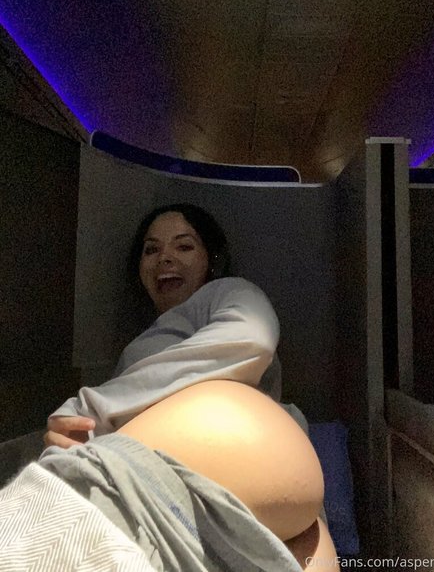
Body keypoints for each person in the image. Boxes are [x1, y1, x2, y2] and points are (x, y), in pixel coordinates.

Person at [39, 203, 339, 570]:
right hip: (176, 490)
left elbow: (251, 336)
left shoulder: (225, 292)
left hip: (241, 466)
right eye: (151, 250)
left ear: (211, 260)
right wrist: (72, 436)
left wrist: (92, 409)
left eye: (184, 246)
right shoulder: (138, 349)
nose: (165, 258)